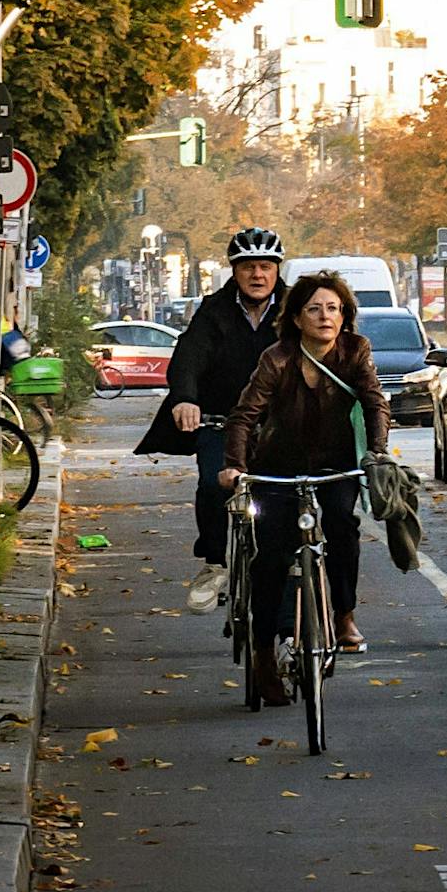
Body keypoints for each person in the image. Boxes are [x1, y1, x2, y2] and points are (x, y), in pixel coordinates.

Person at [220, 272, 390, 705]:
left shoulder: (356, 351)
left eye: (333, 308)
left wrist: (376, 453)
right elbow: (244, 416)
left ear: (344, 316)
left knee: (343, 525)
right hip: (278, 468)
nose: (324, 316)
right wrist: (235, 466)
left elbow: (374, 402)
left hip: (336, 466)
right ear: (296, 318)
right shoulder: (277, 358)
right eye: (314, 309)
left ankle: (344, 615)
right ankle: (262, 652)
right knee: (270, 557)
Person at [136, 229, 286, 613]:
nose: (257, 275)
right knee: (212, 484)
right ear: (234, 271)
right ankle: (215, 563)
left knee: (290, 497)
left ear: (277, 270)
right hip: (221, 421)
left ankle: (293, 584)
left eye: (265, 266)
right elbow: (189, 356)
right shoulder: (214, 310)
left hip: (280, 426)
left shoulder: (295, 309)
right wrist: (186, 399)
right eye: (248, 267)